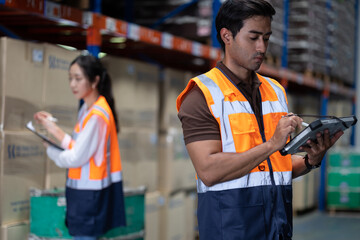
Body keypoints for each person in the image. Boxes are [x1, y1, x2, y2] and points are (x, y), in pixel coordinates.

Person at [176, 0, 344, 239]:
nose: (262, 47)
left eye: (266, 38)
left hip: (278, 228)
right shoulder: (201, 95)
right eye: (253, 37)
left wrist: (310, 160)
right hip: (231, 230)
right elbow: (208, 171)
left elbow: (275, 168)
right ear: (227, 36)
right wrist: (271, 145)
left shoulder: (275, 91)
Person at [34, 55, 126, 240]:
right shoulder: (87, 109)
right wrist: (52, 130)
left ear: (94, 80)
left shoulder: (97, 115)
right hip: (83, 194)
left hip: (89, 197)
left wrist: (51, 150)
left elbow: (76, 157)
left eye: (78, 78)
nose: (72, 84)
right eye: (70, 78)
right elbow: (79, 146)